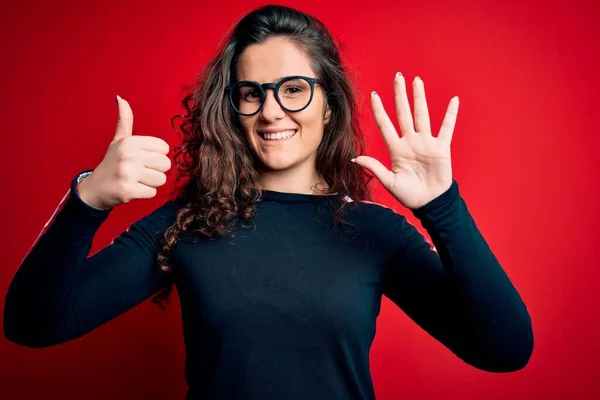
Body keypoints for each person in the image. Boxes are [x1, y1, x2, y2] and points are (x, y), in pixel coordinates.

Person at [3, 4, 533, 399]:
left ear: (328, 106)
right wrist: (87, 198)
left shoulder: (376, 233)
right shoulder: (189, 225)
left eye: (294, 89)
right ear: (233, 108)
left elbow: (505, 350)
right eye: (252, 92)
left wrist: (441, 207)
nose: (272, 111)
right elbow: (34, 326)